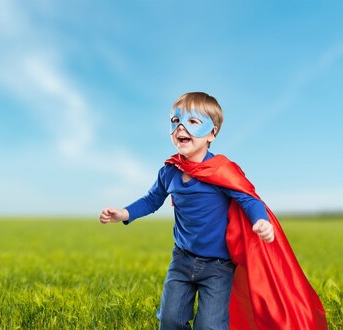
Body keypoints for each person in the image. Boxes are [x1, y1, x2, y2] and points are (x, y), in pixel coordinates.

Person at [99, 92, 326, 329]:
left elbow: (250, 200)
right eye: (175, 121)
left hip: (218, 266)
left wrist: (261, 221)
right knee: (170, 320)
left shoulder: (222, 171)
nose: (181, 128)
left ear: (212, 133)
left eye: (193, 122)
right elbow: (152, 199)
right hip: (182, 259)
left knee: (210, 326)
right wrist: (124, 213)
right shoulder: (169, 171)